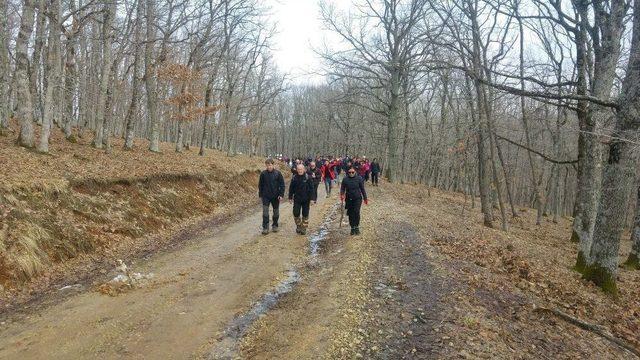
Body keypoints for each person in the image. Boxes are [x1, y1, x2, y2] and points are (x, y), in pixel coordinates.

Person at [258, 159, 285, 235]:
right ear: (266, 165)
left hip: (276, 196)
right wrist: (261, 195)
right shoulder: (263, 174)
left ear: (273, 165)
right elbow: (260, 185)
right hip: (266, 196)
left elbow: (282, 185)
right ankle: (265, 228)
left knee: (276, 212)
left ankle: (275, 225)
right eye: (267, 165)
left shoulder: (278, 173)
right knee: (265, 213)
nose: (269, 166)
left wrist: (281, 195)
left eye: (270, 165)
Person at [289, 164, 317, 235]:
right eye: (298, 169)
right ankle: (298, 225)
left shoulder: (308, 178)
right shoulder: (294, 178)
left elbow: (312, 189)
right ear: (297, 170)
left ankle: (304, 228)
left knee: (305, 213)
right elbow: (291, 188)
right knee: (296, 212)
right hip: (297, 199)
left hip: (306, 199)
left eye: (301, 169)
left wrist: (312, 199)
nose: (300, 171)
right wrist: (290, 197)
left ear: (304, 169)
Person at [340, 167, 368, 236]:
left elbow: (362, 189)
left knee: (356, 212)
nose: (351, 174)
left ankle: (357, 227)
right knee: (350, 213)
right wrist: (342, 194)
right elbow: (342, 188)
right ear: (348, 172)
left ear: (355, 172)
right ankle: (352, 228)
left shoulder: (359, 179)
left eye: (352, 172)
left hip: (357, 198)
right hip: (349, 199)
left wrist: (365, 198)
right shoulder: (345, 179)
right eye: (350, 172)